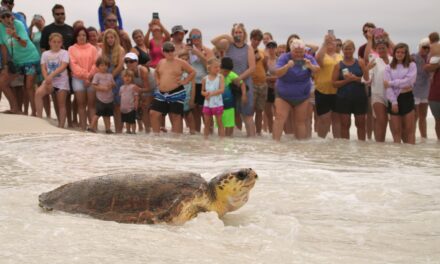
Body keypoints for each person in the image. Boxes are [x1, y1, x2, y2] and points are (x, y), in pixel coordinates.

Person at [211, 23, 256, 137]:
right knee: (230, 113)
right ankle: (231, 143)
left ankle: (252, 142)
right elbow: (213, 41)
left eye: (240, 32)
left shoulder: (248, 48)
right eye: (236, 32)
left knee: (247, 114)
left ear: (244, 34)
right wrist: (226, 36)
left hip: (245, 83)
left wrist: (239, 78)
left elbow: (252, 68)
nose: (238, 34)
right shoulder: (228, 45)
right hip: (228, 84)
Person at [272, 38, 320, 141]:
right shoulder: (284, 57)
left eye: (301, 52)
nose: (298, 54)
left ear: (304, 51)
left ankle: (300, 147)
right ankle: (275, 145)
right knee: (280, 118)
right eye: (296, 52)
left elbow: (317, 70)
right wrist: (287, 66)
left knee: (300, 121)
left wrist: (310, 66)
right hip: (283, 95)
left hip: (302, 96)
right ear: (291, 50)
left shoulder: (308, 58)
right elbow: (277, 73)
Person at [0, 7, 40, 116]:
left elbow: (24, 43)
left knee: (28, 87)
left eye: (8, 15)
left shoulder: (18, 24)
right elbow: (3, 47)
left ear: (11, 16)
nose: (6, 18)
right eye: (3, 17)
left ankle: (35, 114)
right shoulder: (0, 28)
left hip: (30, 58)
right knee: (2, 83)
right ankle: (15, 108)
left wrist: (15, 35)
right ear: (0, 19)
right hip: (17, 61)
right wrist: (5, 65)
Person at [150, 42, 195, 134]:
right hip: (161, 92)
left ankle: (176, 139)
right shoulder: (161, 62)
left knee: (175, 115)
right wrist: (158, 81)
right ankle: (155, 137)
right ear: (164, 52)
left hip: (176, 92)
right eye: (167, 51)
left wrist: (185, 81)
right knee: (153, 113)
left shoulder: (181, 62)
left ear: (174, 51)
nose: (170, 53)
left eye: (172, 50)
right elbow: (156, 72)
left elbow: (192, 72)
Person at [332, 40, 369, 140]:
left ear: (354, 50)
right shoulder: (338, 65)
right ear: (342, 50)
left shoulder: (360, 63)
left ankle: (362, 148)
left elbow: (367, 80)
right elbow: (334, 83)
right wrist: (346, 81)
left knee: (361, 124)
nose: (347, 51)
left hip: (359, 97)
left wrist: (354, 79)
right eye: (345, 49)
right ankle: (345, 151)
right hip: (343, 98)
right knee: (345, 125)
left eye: (350, 49)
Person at [384, 43, 417, 144]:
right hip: (393, 100)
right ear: (394, 53)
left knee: (409, 131)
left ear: (406, 54)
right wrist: (394, 102)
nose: (400, 54)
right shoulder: (388, 67)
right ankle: (398, 158)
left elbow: (409, 81)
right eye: (398, 52)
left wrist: (391, 83)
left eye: (402, 52)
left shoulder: (412, 65)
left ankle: (410, 157)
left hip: (407, 98)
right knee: (396, 131)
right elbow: (387, 87)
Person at [34, 33, 69, 127]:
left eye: (58, 42)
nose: (56, 44)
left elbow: (63, 66)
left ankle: (61, 125)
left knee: (61, 104)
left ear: (61, 43)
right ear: (50, 42)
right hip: (49, 80)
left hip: (61, 82)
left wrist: (51, 76)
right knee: (38, 93)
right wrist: (46, 78)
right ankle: (39, 120)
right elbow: (43, 68)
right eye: (54, 42)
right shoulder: (45, 54)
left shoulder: (64, 53)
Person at [68, 26, 98, 131]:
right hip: (78, 79)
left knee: (92, 104)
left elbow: (96, 64)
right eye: (79, 35)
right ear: (76, 37)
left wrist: (89, 77)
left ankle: (93, 128)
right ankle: (83, 128)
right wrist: (86, 76)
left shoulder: (93, 48)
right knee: (81, 104)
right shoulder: (71, 49)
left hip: (92, 79)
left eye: (84, 35)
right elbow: (73, 66)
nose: (82, 37)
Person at [314, 32, 343, 139]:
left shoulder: (341, 56)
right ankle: (321, 141)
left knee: (337, 119)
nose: (331, 44)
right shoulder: (322, 54)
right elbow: (318, 60)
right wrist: (325, 43)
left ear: (336, 44)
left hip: (338, 91)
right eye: (329, 42)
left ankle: (337, 143)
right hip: (322, 91)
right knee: (324, 119)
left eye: (333, 42)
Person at [364, 37, 392, 142]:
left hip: (393, 95)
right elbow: (366, 80)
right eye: (379, 48)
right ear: (376, 50)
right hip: (378, 94)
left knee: (392, 122)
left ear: (388, 48)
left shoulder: (393, 60)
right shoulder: (374, 61)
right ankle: (379, 146)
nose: (381, 50)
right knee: (381, 120)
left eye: (383, 48)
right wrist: (367, 69)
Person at [186, 28, 213, 133]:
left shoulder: (207, 50)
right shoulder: (187, 50)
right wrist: (188, 52)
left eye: (198, 36)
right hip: (192, 83)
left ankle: (210, 133)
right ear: (190, 39)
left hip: (204, 83)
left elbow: (210, 67)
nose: (196, 39)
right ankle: (197, 135)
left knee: (206, 111)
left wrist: (198, 54)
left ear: (201, 38)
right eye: (193, 37)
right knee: (194, 110)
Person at [101, 28, 125, 133]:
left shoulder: (120, 49)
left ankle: (119, 130)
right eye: (107, 38)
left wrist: (110, 78)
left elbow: (120, 66)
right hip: (106, 79)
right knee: (107, 104)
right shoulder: (104, 50)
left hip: (117, 79)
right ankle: (109, 128)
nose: (110, 40)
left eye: (112, 37)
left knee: (117, 106)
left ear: (116, 38)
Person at [124, 52, 152, 133]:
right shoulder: (128, 72)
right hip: (143, 89)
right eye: (126, 61)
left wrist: (140, 94)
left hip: (154, 88)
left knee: (144, 107)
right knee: (136, 104)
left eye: (131, 61)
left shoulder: (142, 70)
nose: (129, 63)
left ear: (137, 62)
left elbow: (148, 88)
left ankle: (148, 130)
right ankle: (141, 128)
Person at [220, 57, 245, 137]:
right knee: (220, 122)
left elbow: (242, 84)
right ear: (220, 67)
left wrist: (244, 95)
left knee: (230, 122)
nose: (227, 73)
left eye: (229, 71)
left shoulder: (232, 75)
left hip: (230, 104)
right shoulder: (216, 75)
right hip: (218, 103)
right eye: (225, 71)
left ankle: (229, 138)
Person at [249, 29, 268, 135]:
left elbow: (265, 67)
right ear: (251, 38)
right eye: (254, 39)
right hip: (251, 84)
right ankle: (251, 133)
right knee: (250, 111)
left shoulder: (262, 52)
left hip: (263, 84)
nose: (256, 42)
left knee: (260, 110)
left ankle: (259, 133)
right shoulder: (247, 50)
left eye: (258, 40)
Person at [90, 56, 115, 133]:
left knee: (107, 115)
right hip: (100, 98)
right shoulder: (97, 75)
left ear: (108, 66)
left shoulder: (110, 75)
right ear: (98, 66)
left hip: (109, 98)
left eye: (106, 65)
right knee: (97, 114)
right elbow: (93, 85)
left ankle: (107, 129)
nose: (104, 67)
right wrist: (101, 88)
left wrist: (111, 85)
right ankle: (91, 127)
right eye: (102, 65)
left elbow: (114, 84)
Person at [412, 38, 431, 140]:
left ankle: (424, 137)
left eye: (428, 48)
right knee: (415, 116)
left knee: (423, 116)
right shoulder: (414, 57)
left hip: (426, 90)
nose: (426, 50)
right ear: (420, 47)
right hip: (415, 90)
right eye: (424, 47)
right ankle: (412, 137)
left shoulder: (431, 58)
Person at [202, 58, 225, 139]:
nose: (218, 69)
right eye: (215, 67)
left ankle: (221, 140)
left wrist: (210, 94)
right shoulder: (205, 78)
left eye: (219, 67)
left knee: (219, 122)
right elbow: (202, 91)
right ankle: (206, 139)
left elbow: (222, 90)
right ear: (209, 68)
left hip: (218, 103)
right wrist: (205, 94)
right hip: (207, 104)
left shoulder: (220, 77)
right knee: (207, 123)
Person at [178, 50, 196, 134]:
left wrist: (192, 99)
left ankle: (192, 133)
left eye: (186, 59)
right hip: (178, 99)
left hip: (188, 98)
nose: (184, 61)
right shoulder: (177, 73)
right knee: (179, 118)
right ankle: (180, 134)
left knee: (190, 116)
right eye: (182, 59)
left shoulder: (191, 73)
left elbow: (193, 87)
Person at [426, 47, 440, 140]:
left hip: (434, 95)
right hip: (435, 95)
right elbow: (427, 67)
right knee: (438, 121)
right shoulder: (436, 58)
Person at [119, 69, 139, 134]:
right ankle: (128, 131)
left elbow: (136, 97)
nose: (127, 78)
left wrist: (136, 104)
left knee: (132, 121)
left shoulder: (133, 86)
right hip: (123, 108)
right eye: (125, 76)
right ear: (122, 78)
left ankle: (133, 131)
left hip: (131, 107)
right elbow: (120, 96)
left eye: (129, 76)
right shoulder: (121, 87)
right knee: (126, 121)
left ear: (132, 78)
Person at [265, 40, 278, 134]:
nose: (271, 49)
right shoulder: (265, 60)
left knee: (278, 114)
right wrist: (271, 78)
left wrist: (270, 78)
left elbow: (281, 76)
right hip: (267, 88)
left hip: (278, 89)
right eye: (269, 47)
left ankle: (278, 133)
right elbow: (262, 76)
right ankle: (270, 133)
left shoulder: (279, 60)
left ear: (276, 48)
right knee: (268, 113)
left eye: (273, 47)